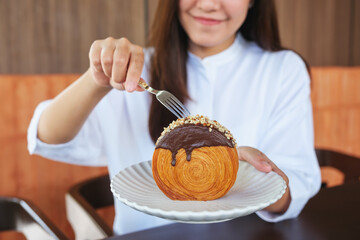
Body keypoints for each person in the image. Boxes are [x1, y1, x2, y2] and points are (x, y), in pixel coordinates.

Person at [27, 0, 321, 236]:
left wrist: (254, 178)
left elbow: (298, 182)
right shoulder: (133, 72)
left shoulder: (283, 69)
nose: (208, 4)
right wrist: (96, 79)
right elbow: (48, 136)